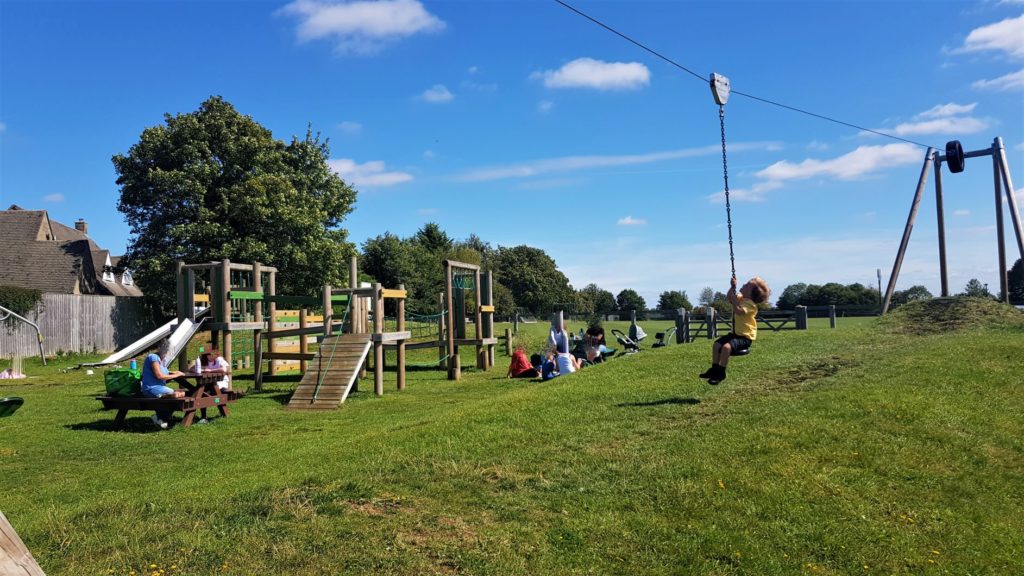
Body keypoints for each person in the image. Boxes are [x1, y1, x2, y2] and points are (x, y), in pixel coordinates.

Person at [700, 276, 770, 385]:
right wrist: (732, 287)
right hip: (734, 334)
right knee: (717, 345)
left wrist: (734, 301)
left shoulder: (751, 305)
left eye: (747, 285)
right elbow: (729, 297)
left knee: (726, 347)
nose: (744, 284)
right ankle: (714, 368)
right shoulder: (741, 298)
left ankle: (721, 372)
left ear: (751, 294)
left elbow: (739, 311)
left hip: (745, 337)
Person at [142, 338, 186, 429]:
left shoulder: (162, 361)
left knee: (179, 394)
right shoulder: (153, 357)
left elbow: (164, 372)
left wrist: (175, 372)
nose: (167, 352)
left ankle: (161, 418)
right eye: (166, 349)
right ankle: (162, 417)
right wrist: (176, 376)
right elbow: (159, 375)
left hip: (159, 388)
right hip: (151, 388)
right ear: (160, 349)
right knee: (175, 394)